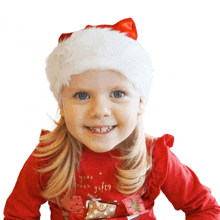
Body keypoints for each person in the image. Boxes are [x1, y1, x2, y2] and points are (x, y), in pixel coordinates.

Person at [3, 18, 220, 220]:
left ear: (140, 103)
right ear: (61, 105)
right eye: (82, 95)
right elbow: (18, 214)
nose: (100, 111)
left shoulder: (155, 156)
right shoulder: (48, 157)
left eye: (117, 94)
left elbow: (204, 209)